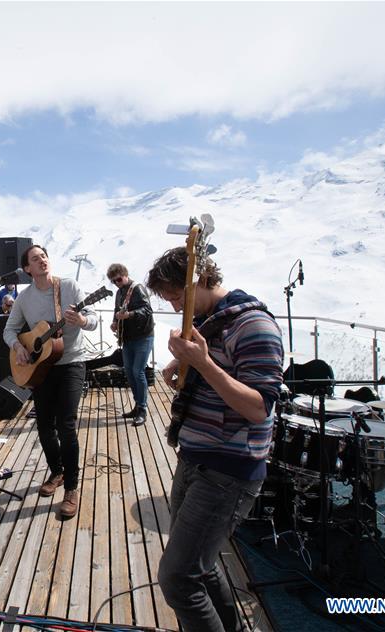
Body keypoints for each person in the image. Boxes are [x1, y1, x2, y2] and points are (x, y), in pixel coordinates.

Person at [145, 246, 283, 631]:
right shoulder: (210, 321)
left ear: (200, 281)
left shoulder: (253, 325)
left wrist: (203, 363)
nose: (175, 308)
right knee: (198, 569)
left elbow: (258, 408)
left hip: (229, 469)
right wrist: (182, 365)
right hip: (195, 457)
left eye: (176, 297)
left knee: (178, 579)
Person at [3, 245, 98, 519]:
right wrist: (19, 347)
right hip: (41, 368)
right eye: (35, 259)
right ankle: (56, 471)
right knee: (44, 425)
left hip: (71, 363)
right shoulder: (24, 298)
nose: (42, 261)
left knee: (66, 424)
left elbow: (94, 319)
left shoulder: (68, 286)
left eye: (44, 256)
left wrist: (81, 320)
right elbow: (10, 330)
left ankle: (71, 487)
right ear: (27, 269)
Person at [107, 263, 155, 427]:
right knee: (129, 371)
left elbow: (147, 310)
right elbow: (116, 310)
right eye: (114, 281)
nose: (117, 283)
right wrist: (115, 322)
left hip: (143, 336)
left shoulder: (137, 289)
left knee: (138, 371)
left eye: (119, 279)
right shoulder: (119, 292)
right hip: (128, 338)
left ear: (125, 275)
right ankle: (137, 405)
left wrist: (130, 315)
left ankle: (142, 409)